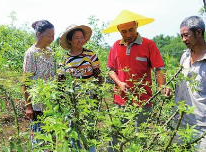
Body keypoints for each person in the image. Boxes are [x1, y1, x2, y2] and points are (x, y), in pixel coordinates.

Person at [102, 10, 172, 151]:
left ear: (137, 25)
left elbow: (159, 69)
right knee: (114, 139)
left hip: (143, 102)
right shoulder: (115, 46)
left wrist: (162, 86)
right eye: (123, 31)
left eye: (131, 30)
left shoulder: (148, 45)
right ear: (118, 30)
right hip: (120, 102)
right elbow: (110, 70)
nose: (128, 34)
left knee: (140, 139)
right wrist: (119, 83)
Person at [58, 24, 102, 152]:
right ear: (70, 40)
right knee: (73, 129)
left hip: (89, 98)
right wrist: (61, 99)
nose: (80, 40)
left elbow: (98, 76)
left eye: (82, 37)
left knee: (89, 128)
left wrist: (97, 96)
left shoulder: (90, 55)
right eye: (77, 38)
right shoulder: (64, 59)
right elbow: (61, 80)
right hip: (71, 100)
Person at [174, 16, 206, 151]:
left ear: (198, 33)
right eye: (181, 36)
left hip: (201, 128)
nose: (183, 40)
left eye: (186, 35)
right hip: (180, 122)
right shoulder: (185, 56)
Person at [22, 20, 55, 148]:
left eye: (53, 35)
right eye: (49, 36)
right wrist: (28, 106)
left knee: (51, 140)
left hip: (50, 103)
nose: (51, 39)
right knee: (39, 140)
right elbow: (26, 81)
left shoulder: (51, 52)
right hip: (37, 105)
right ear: (39, 34)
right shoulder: (31, 53)